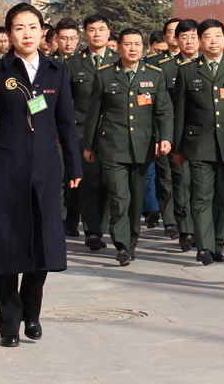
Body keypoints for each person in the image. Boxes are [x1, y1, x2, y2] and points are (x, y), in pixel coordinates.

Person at [0, 3, 82, 348]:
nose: (26, 33)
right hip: (5, 168)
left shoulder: (56, 71)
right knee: (6, 248)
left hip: (45, 169)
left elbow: (66, 123)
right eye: (19, 28)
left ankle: (32, 311)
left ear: (44, 32)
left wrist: (73, 166)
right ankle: (8, 324)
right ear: (8, 34)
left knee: (42, 245)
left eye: (32, 27)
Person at [83, 29, 172, 265]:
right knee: (119, 196)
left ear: (143, 48)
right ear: (119, 47)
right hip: (112, 145)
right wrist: (89, 145)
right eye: (128, 44)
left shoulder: (155, 75)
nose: (133, 48)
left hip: (143, 147)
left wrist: (165, 137)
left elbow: (163, 111)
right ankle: (121, 243)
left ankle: (131, 242)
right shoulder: (104, 75)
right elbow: (94, 114)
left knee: (136, 198)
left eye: (137, 44)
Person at [172, 19, 224, 265]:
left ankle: (218, 244)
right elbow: (180, 112)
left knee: (222, 198)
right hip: (198, 144)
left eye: (218, 36)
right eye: (208, 37)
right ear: (200, 42)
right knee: (201, 197)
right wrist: (177, 146)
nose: (213, 41)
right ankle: (204, 247)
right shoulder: (187, 70)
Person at [156, 19, 201, 249]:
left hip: (205, 136)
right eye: (184, 37)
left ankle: (203, 229)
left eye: (193, 36)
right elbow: (161, 106)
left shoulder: (208, 65)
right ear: (176, 40)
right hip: (178, 135)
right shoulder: (165, 68)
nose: (189, 41)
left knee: (201, 186)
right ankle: (186, 229)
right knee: (180, 183)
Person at [78, 14, 120, 251]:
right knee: (90, 183)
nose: (96, 34)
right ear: (85, 34)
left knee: (111, 184)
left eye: (101, 29)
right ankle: (93, 231)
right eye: (91, 30)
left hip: (115, 134)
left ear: (108, 32)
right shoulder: (73, 63)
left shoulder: (120, 59)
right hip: (83, 134)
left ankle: (113, 230)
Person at [52, 18, 94, 238]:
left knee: (76, 178)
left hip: (78, 132)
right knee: (58, 176)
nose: (68, 43)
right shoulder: (46, 63)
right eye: (64, 38)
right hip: (55, 133)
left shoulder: (83, 63)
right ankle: (58, 219)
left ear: (78, 39)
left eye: (72, 38)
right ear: (55, 39)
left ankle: (71, 220)